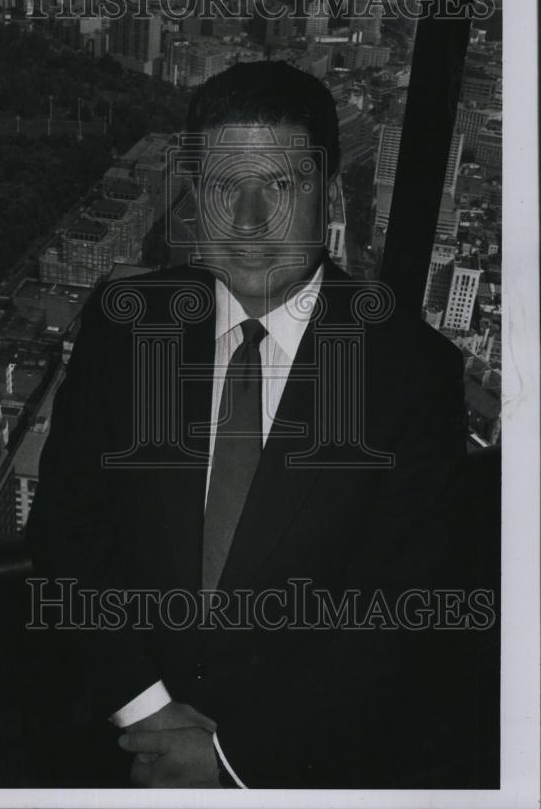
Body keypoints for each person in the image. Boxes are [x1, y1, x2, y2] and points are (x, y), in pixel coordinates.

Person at [27, 61, 481, 789]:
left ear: (328, 193)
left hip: (297, 769)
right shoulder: (125, 328)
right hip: (119, 746)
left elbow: (397, 608)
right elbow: (66, 534)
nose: (246, 221)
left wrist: (231, 759)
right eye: (220, 186)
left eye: (278, 185)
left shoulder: (410, 373)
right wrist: (146, 711)